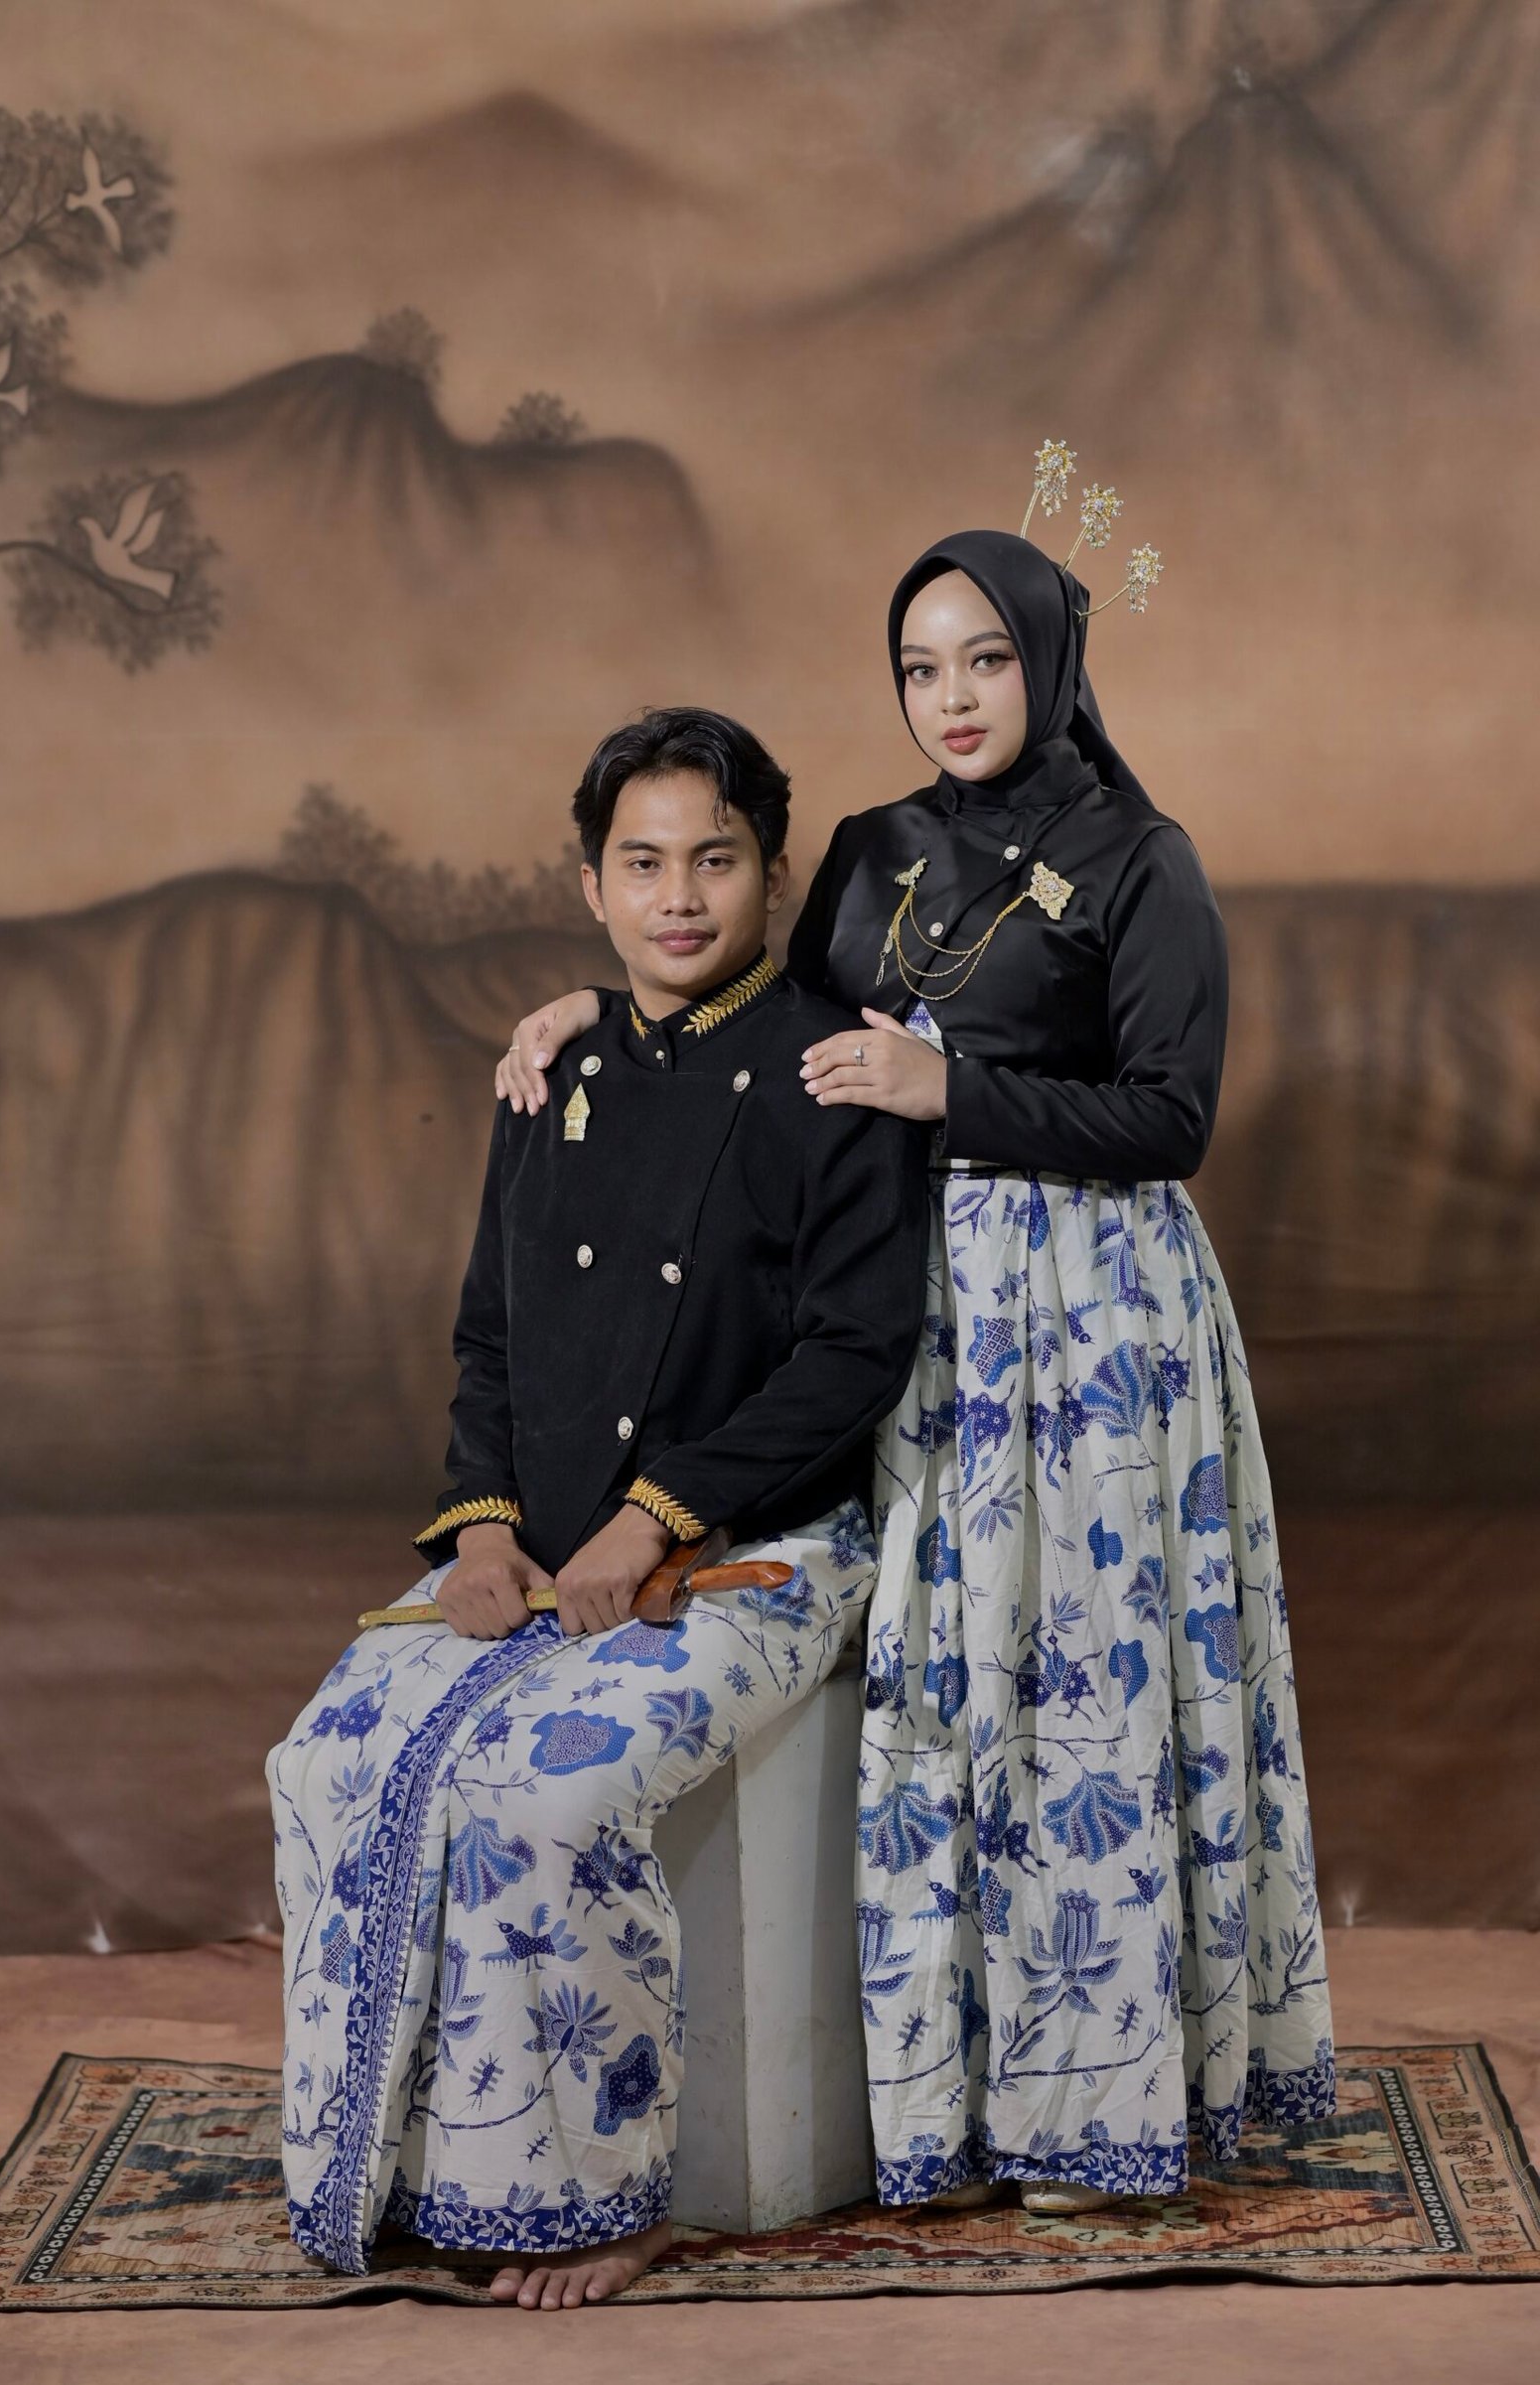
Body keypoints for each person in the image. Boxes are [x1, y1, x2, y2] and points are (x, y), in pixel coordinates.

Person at [496, 512, 1336, 2218]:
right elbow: (766, 1021)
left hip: (1091, 1330)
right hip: (898, 1308)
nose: (951, 698)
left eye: (986, 660)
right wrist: (596, 1011)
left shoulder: (1141, 857)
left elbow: (1172, 1118)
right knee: (939, 1700)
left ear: (1052, 660)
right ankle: (941, 2100)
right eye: (919, 667)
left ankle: (1099, 2107)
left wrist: (955, 1093)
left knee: (1082, 1700)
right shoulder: (875, 849)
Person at [268, 706, 927, 2307]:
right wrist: (484, 1527)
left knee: (542, 1797)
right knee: (327, 1754)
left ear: (774, 872)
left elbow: (854, 1356)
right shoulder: (550, 1069)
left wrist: (659, 1517)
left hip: (766, 1553)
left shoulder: (835, 1071)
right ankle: (403, 2164)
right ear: (591, 887)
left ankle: (600, 2198)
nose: (678, 897)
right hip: (542, 1548)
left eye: (715, 859)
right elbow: (490, 1338)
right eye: (642, 863)